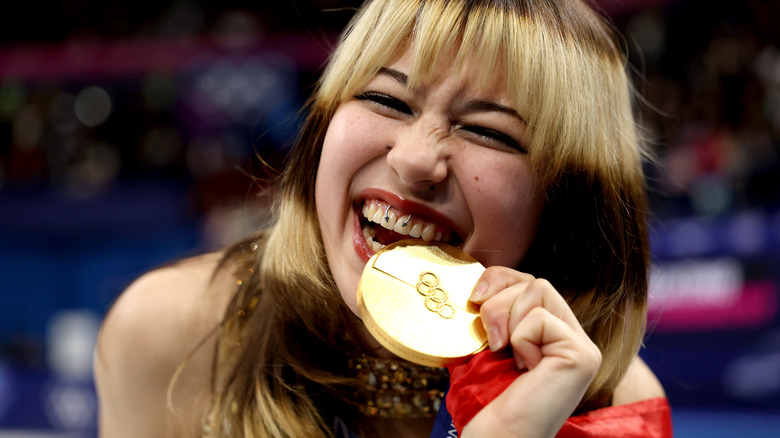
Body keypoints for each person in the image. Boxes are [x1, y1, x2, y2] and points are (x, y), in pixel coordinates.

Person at [94, 0, 670, 437]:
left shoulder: (613, 407)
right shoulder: (171, 332)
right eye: (387, 101)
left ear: (568, 203)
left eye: (489, 131)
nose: (414, 158)